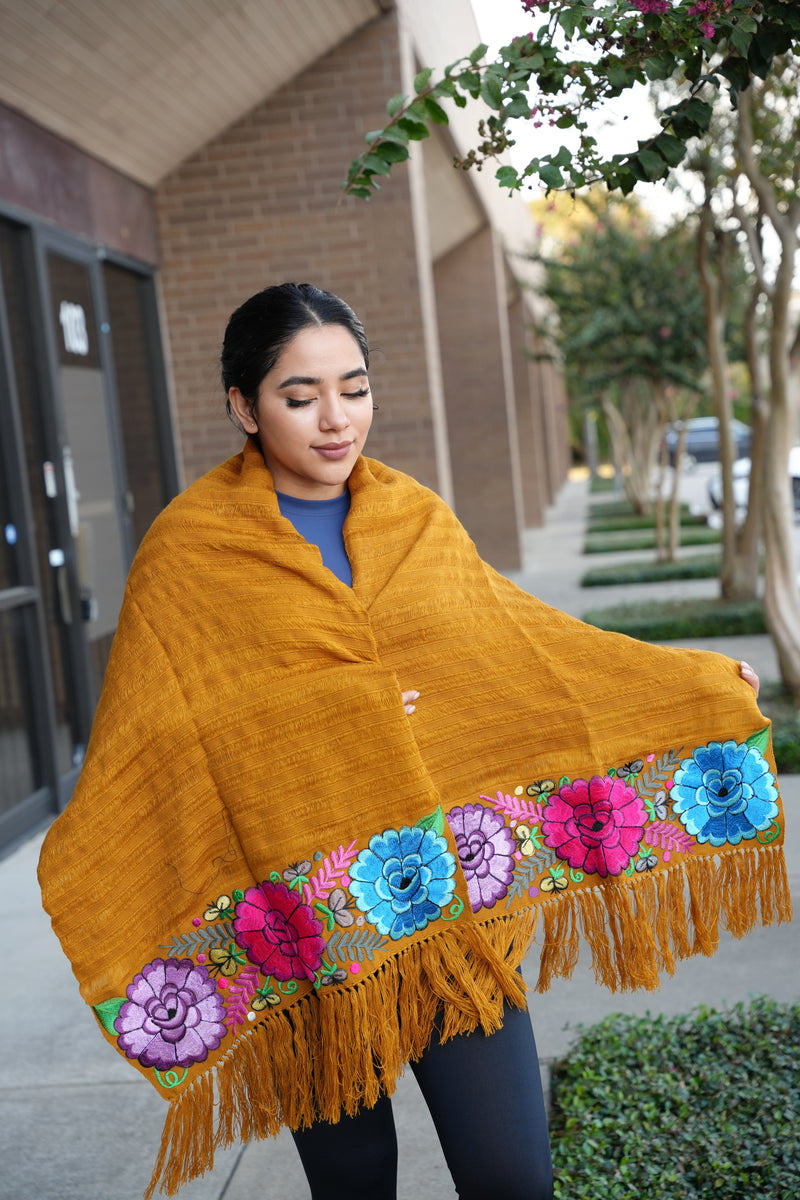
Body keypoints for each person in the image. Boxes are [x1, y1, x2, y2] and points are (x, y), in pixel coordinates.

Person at [39, 284, 787, 1200]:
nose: (334, 420)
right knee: (355, 1184)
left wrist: (690, 683)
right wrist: (104, 851)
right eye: (299, 394)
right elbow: (156, 733)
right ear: (243, 406)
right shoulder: (187, 554)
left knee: (513, 1175)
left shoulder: (415, 518)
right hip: (309, 936)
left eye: (352, 389)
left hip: (450, 916)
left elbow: (525, 646)